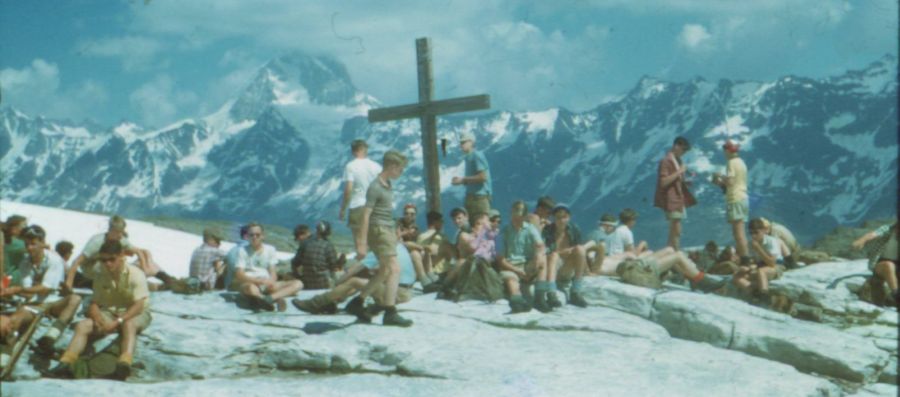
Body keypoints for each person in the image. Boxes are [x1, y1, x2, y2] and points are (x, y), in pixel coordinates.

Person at [46, 240, 151, 380]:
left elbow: (138, 305)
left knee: (128, 324)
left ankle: (124, 362)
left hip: (136, 313)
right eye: (104, 260)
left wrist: (117, 322)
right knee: (83, 325)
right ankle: (66, 362)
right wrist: (95, 314)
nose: (108, 263)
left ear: (121, 256)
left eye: (111, 259)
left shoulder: (135, 274)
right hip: (111, 312)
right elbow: (95, 301)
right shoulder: (101, 274)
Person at [345, 150, 413, 327]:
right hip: (379, 230)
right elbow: (366, 215)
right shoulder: (375, 187)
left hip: (387, 229)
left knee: (384, 270)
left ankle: (358, 302)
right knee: (394, 269)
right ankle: (390, 312)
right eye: (400, 169)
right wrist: (361, 244)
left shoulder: (387, 184)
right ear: (391, 166)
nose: (401, 172)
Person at [1, 226, 82, 355]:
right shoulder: (25, 263)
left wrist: (20, 289)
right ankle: (6, 355)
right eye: (27, 244)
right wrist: (16, 291)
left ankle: (51, 336)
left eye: (33, 244)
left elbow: (46, 288)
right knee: (16, 320)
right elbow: (29, 290)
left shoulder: (54, 260)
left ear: (43, 243)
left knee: (75, 299)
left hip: (52, 303)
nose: (29, 248)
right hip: (34, 305)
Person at [292, 237, 417, 316]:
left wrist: (338, 282)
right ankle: (333, 301)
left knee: (354, 281)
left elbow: (354, 269)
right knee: (364, 280)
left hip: (397, 293)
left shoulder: (383, 248)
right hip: (406, 291)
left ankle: (316, 303)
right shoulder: (400, 246)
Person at [233, 223, 302, 311]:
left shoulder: (270, 249)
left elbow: (272, 271)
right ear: (247, 236)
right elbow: (239, 274)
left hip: (266, 283)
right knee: (250, 288)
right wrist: (256, 281)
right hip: (251, 282)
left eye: (257, 235)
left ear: (262, 236)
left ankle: (268, 299)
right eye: (251, 235)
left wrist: (271, 281)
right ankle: (274, 298)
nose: (254, 237)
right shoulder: (242, 251)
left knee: (298, 284)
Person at [496, 201, 548, 313]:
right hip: (511, 266)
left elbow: (540, 245)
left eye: (518, 217)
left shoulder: (530, 229)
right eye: (513, 216)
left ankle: (540, 296)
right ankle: (517, 300)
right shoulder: (503, 232)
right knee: (511, 279)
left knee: (543, 259)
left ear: (524, 217)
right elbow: (500, 259)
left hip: (527, 265)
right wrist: (518, 271)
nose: (515, 220)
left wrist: (538, 255)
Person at [339, 139, 382, 264]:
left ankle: (364, 271)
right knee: (375, 241)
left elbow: (348, 189)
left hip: (358, 205)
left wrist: (343, 209)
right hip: (375, 206)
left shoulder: (351, 166)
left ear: (353, 151)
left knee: (360, 243)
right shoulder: (376, 166)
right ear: (365, 149)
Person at [616, 248, 729, 292]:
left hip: (636, 268)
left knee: (670, 250)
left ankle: (693, 278)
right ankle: (702, 281)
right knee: (678, 255)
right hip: (637, 272)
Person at [541, 204, 589, 310]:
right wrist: (562, 252)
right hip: (553, 268)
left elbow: (579, 250)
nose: (561, 220)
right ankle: (551, 293)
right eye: (558, 217)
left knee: (580, 249)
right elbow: (545, 252)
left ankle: (576, 291)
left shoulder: (574, 229)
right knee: (553, 255)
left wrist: (587, 269)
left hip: (568, 268)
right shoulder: (547, 231)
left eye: (564, 217)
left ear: (569, 217)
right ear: (554, 218)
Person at [712, 140, 751, 266]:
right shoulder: (741, 162)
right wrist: (718, 181)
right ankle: (743, 257)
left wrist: (720, 176)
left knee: (738, 232)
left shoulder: (731, 163)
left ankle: (745, 259)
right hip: (743, 197)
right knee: (740, 230)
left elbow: (730, 182)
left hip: (735, 199)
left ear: (728, 151)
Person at [654, 136, 696, 250]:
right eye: (683, 150)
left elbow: (674, 179)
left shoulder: (678, 161)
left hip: (679, 199)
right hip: (671, 199)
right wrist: (679, 172)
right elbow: (663, 181)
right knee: (676, 230)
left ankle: (670, 252)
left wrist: (684, 181)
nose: (684, 153)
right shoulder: (666, 161)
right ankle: (676, 254)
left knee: (675, 231)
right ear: (676, 146)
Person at [733, 219, 790, 299]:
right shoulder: (751, 243)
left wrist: (758, 249)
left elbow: (772, 263)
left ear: (763, 231)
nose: (753, 236)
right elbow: (754, 260)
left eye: (756, 232)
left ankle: (764, 294)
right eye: (751, 233)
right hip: (761, 265)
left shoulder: (771, 241)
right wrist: (747, 267)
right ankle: (754, 292)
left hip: (776, 266)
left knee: (761, 271)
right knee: (738, 276)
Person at [851, 220, 898, 303]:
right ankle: (896, 294)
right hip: (880, 264)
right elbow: (872, 234)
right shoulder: (888, 229)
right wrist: (861, 241)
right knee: (888, 265)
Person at [451, 131, 492, 225]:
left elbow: (482, 177)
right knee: (472, 226)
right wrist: (461, 181)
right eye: (461, 143)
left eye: (464, 142)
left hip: (480, 197)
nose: (462, 145)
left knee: (481, 226)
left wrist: (463, 180)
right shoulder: (468, 157)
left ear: (472, 142)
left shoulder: (477, 155)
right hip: (471, 196)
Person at [292, 221, 342, 290]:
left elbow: (295, 263)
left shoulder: (305, 243)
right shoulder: (328, 245)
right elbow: (333, 266)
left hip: (307, 282)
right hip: (324, 283)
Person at [223, 225, 250, 290]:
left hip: (229, 286)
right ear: (246, 236)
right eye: (253, 235)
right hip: (243, 287)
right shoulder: (248, 250)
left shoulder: (232, 250)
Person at [3, 215, 27, 281]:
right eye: (24, 225)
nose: (26, 229)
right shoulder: (18, 244)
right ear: (14, 229)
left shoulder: (3, 239)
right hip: (9, 278)